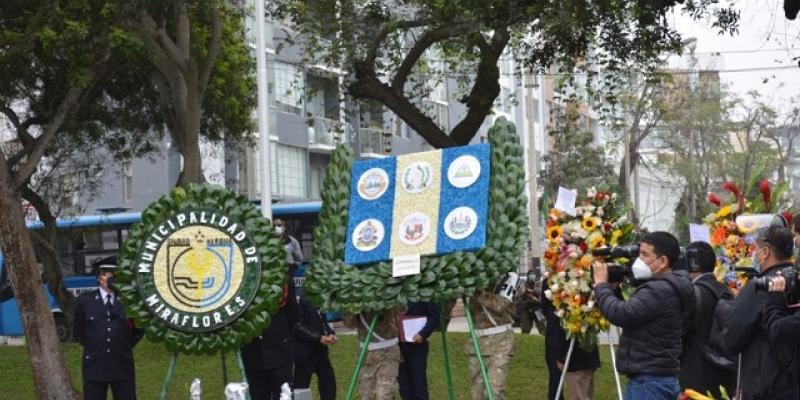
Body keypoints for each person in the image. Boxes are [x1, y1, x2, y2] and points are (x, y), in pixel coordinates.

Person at [592, 231, 693, 400]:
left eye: (645, 255)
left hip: (648, 382)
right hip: (660, 378)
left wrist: (601, 286)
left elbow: (621, 314)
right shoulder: (671, 286)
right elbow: (634, 316)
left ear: (663, 261)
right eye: (639, 254)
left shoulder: (659, 289)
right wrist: (614, 290)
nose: (639, 260)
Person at [721, 226, 799, 400]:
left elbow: (732, 339)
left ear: (765, 253)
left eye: (754, 250)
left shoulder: (760, 287)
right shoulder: (796, 279)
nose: (753, 255)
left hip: (765, 385)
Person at [74, 256, 143, 400]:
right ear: (100, 277)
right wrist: (96, 347)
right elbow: (79, 332)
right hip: (95, 366)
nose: (114, 278)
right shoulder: (85, 301)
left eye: (116, 274)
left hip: (121, 364)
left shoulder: (128, 301)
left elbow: (138, 331)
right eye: (109, 274)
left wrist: (122, 346)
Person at [679, 241, 736, 397]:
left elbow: (677, 333)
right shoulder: (726, 290)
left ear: (692, 264)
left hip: (695, 376)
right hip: (724, 372)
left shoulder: (692, 294)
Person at [241, 263, 299, 399]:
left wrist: (286, 343)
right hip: (252, 353)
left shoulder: (281, 280)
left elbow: (293, 316)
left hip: (280, 351)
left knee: (283, 395)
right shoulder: (241, 282)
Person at [465, 290, 515, 400]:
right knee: (477, 394)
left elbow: (500, 304)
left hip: (501, 343)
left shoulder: (511, 277)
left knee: (494, 392)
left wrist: (474, 290)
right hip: (478, 344)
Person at [345, 308, 404, 400]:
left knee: (384, 394)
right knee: (366, 394)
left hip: (388, 353)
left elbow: (402, 311)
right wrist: (353, 309)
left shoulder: (390, 301)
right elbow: (349, 323)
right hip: (366, 356)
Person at [293, 295, 337, 400]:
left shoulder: (320, 297)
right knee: (300, 390)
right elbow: (297, 327)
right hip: (305, 354)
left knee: (329, 386)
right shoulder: (301, 300)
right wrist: (318, 338)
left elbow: (322, 321)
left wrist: (330, 333)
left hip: (321, 353)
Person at [398, 301, 439, 400]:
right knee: (404, 387)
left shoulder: (424, 289)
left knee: (419, 386)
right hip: (397, 346)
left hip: (417, 346)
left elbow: (434, 316)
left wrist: (423, 334)